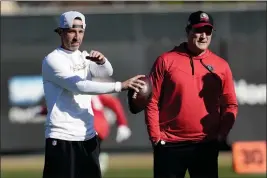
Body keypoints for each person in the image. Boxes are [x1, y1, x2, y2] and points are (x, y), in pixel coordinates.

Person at [42, 11, 145, 178]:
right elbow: (79, 86)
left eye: (80, 31)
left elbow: (107, 71)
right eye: (71, 31)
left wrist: (102, 61)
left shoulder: (83, 57)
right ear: (60, 32)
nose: (76, 36)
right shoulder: (53, 60)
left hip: (88, 136)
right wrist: (121, 86)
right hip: (62, 137)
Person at [145, 11, 238, 178]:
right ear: (188, 31)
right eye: (198, 30)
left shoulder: (221, 66)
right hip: (169, 145)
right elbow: (152, 101)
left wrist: (222, 134)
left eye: (208, 31)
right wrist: (156, 138)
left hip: (205, 144)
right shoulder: (166, 60)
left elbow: (230, 104)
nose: (203, 36)